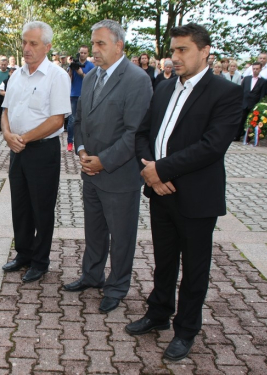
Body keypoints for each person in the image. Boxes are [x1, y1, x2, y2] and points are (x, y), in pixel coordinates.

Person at [127, 23, 242, 361]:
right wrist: (150, 172)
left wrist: (158, 169)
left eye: (182, 50)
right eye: (173, 50)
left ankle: (186, 330)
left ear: (204, 51)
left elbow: (212, 146)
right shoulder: (163, 88)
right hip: (160, 193)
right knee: (163, 261)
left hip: (196, 197)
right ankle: (158, 313)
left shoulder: (224, 92)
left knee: (194, 270)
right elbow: (142, 133)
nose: (174, 57)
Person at [62, 20, 152, 315]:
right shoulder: (90, 77)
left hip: (119, 174)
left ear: (119, 46)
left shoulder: (137, 80)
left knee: (121, 236)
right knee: (94, 230)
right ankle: (92, 276)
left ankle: (117, 287)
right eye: (93, 43)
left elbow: (133, 133)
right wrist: (84, 150)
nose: (94, 50)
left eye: (101, 44)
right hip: (91, 171)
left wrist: (104, 161)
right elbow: (80, 119)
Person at [0, 21, 71, 283]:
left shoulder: (57, 76)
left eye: (33, 43)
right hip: (17, 149)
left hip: (42, 151)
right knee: (20, 206)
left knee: (42, 208)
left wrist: (24, 139)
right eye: (24, 42)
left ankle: (40, 261)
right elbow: (5, 110)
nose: (26, 48)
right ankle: (24, 254)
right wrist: (8, 135)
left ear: (48, 46)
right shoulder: (17, 75)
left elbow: (57, 120)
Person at [67, 45, 95, 151]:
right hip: (74, 94)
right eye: (81, 52)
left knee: (86, 120)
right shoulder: (74, 63)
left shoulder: (91, 66)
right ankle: (70, 142)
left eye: (84, 53)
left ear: (87, 54)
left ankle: (85, 143)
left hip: (86, 95)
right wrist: (71, 69)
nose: (82, 54)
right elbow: (68, 78)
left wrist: (81, 73)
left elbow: (92, 80)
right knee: (72, 119)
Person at [237, 62, 267, 141]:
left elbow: (262, 94)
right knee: (241, 120)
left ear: (260, 69)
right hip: (244, 103)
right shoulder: (246, 79)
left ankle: (248, 137)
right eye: (254, 69)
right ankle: (237, 135)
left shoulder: (263, 81)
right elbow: (241, 90)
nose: (255, 70)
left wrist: (258, 105)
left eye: (257, 69)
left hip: (254, 104)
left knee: (251, 121)